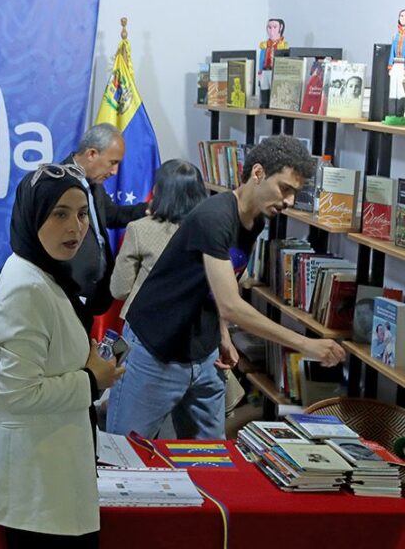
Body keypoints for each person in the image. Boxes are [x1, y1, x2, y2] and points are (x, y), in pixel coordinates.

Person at [107, 135, 345, 440]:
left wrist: (222, 335)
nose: (288, 201)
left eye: (294, 193)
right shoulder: (214, 217)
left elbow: (218, 285)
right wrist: (306, 344)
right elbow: (231, 305)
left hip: (203, 352)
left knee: (211, 455)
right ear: (257, 173)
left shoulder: (256, 220)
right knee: (127, 451)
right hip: (156, 348)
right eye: (284, 188)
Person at [0, 163, 124, 549]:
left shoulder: (44, 272)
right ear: (33, 216)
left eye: (82, 214)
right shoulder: (27, 286)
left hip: (44, 464)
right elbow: (18, 391)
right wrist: (92, 381)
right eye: (60, 214)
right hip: (33, 477)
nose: (75, 228)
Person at [62, 123, 149, 327]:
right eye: (112, 162)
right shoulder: (59, 185)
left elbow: (112, 215)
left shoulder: (93, 183)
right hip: (69, 296)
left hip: (93, 296)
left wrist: (147, 209)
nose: (115, 171)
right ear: (92, 154)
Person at [109, 158, 208, 319]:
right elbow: (237, 277)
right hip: (197, 323)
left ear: (158, 190)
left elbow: (119, 290)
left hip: (146, 322)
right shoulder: (214, 229)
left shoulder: (139, 229)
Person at [385, 9, 405, 123]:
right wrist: (390, 66)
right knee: (393, 89)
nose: (403, 18)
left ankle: (399, 114)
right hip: (396, 65)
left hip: (403, 65)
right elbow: (392, 51)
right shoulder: (395, 35)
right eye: (401, 16)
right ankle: (392, 114)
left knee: (401, 91)